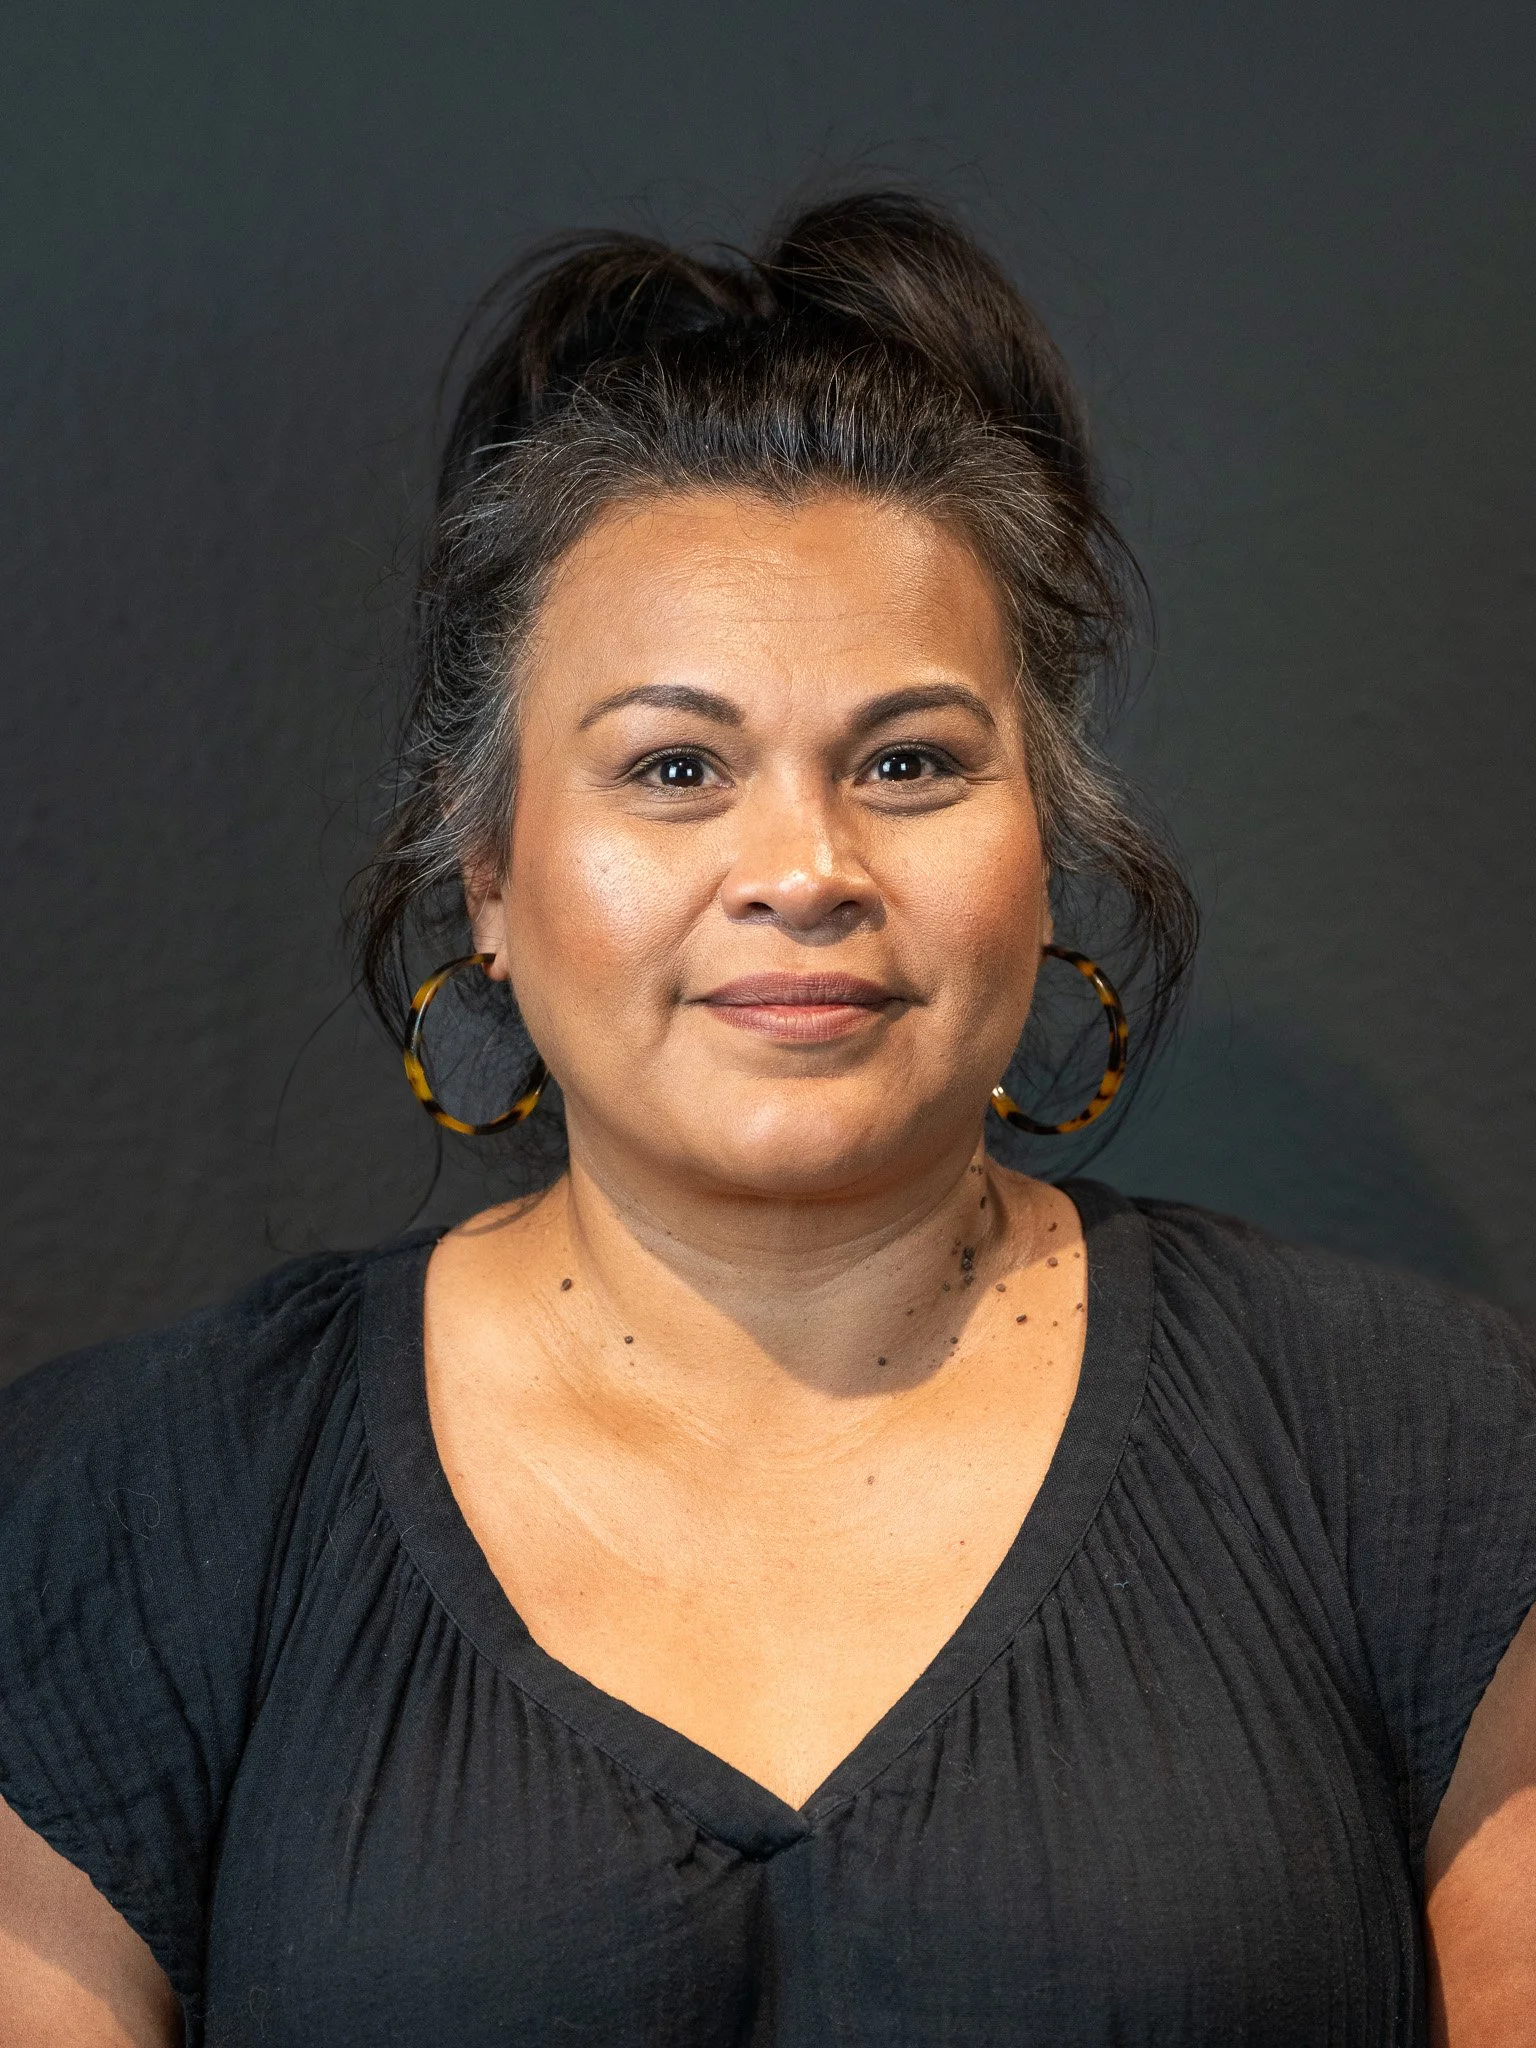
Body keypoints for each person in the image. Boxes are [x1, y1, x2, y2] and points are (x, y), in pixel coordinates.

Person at [0, 191, 1531, 2048]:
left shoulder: (1428, 1452)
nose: (803, 869)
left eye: (910, 763)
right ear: (488, 870)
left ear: (1048, 850)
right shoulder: (132, 1505)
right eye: (674, 767)